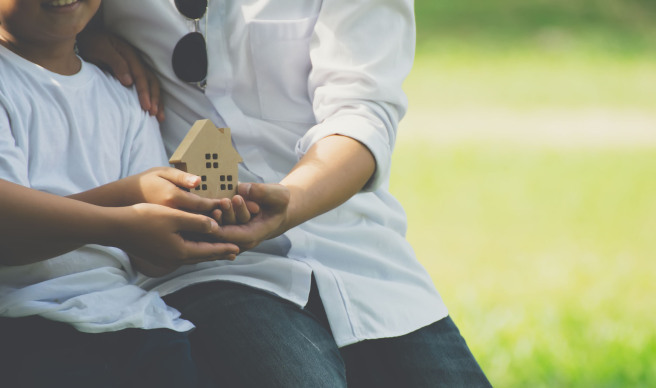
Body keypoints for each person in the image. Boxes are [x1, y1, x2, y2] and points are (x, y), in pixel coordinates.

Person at [80, 0, 493, 386]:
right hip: (212, 265)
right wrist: (82, 39)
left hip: (362, 258)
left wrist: (290, 201)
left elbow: (363, 111)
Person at [0, 0, 250, 385]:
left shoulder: (125, 96)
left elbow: (149, 261)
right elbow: (8, 229)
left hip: (143, 327)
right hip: (28, 327)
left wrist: (194, 222)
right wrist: (127, 207)